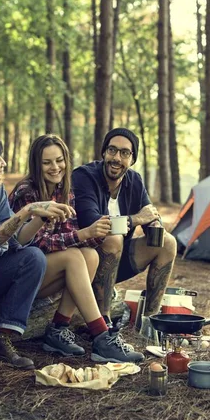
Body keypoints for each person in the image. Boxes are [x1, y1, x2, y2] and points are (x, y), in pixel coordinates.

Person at [9, 134, 143, 364]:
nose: (55, 167)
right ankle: (101, 336)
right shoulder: (27, 191)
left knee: (90, 255)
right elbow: (37, 244)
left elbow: (69, 234)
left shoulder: (65, 189)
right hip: (19, 275)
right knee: (73, 257)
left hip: (47, 272)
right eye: (47, 162)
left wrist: (94, 233)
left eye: (59, 160)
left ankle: (58, 329)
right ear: (36, 164)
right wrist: (84, 234)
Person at [0, 129, 70, 384]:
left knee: (33, 258)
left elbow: (14, 240)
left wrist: (38, 217)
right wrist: (25, 211)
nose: (4, 163)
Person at [72, 128, 177, 339]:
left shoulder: (134, 181)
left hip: (117, 263)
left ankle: (150, 321)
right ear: (103, 153)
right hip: (82, 264)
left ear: (132, 159)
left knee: (168, 242)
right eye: (112, 150)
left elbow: (149, 215)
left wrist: (155, 224)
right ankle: (103, 322)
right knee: (112, 237)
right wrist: (137, 218)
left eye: (125, 153)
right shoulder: (84, 176)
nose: (117, 158)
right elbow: (95, 224)